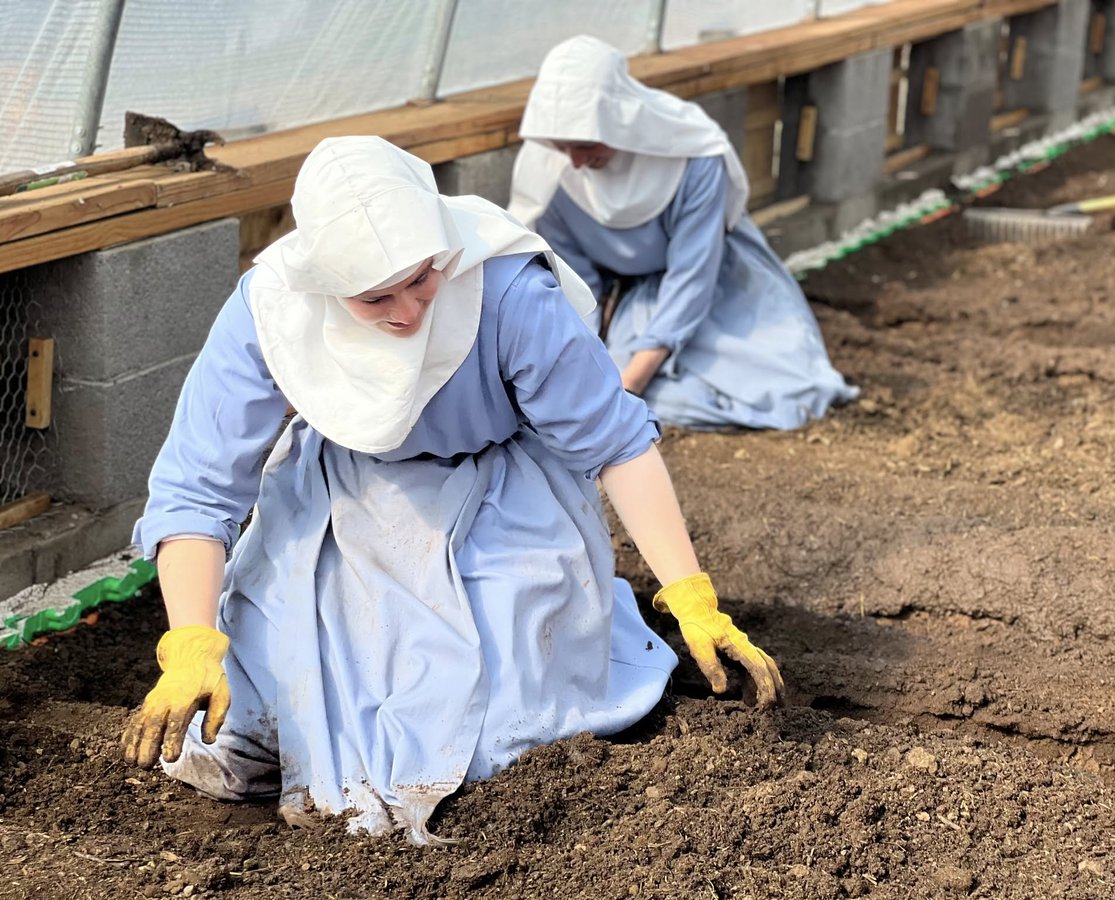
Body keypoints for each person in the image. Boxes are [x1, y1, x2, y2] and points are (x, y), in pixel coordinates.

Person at [120, 136, 783, 843]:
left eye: (422, 278)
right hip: (336, 498)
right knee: (259, 722)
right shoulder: (269, 309)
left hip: (503, 490)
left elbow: (617, 442)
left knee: (499, 730)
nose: (408, 310)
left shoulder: (507, 290)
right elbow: (198, 485)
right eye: (376, 297)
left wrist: (689, 594)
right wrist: (192, 638)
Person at [509, 35, 859, 430]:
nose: (575, 161)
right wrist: (585, 359)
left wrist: (630, 383)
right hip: (635, 297)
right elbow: (578, 286)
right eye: (562, 145)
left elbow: (693, 274)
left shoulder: (692, 153)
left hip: (718, 283)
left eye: (587, 143)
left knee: (788, 390)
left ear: (621, 119)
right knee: (636, 392)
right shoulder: (551, 173)